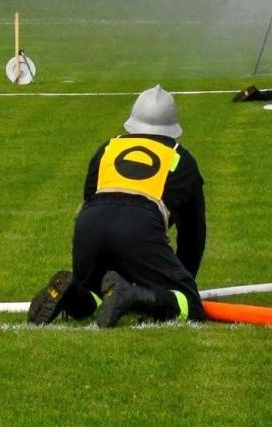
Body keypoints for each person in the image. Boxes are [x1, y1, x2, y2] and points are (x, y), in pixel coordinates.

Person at [27, 85, 208, 328]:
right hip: (139, 225)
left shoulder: (107, 149)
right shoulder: (181, 159)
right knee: (190, 305)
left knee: (96, 293)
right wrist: (181, 280)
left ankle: (73, 293)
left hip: (90, 223)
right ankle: (132, 296)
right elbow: (193, 236)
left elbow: (90, 198)